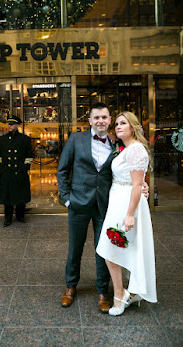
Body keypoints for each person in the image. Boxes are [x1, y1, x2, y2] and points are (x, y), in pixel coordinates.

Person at [57, 103, 148, 313]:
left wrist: (142, 184)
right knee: (75, 248)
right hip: (78, 203)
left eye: (105, 117)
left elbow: (129, 168)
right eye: (96, 117)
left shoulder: (117, 142)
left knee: (104, 249)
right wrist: (67, 199)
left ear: (109, 121)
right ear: (89, 121)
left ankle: (102, 291)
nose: (100, 121)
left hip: (105, 205)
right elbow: (62, 170)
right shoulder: (75, 139)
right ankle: (70, 286)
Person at [96, 111, 157, 316]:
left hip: (127, 204)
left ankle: (122, 294)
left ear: (133, 127)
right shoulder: (124, 148)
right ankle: (127, 291)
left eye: (124, 123)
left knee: (112, 247)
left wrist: (130, 214)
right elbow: (135, 180)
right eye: (118, 123)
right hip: (117, 200)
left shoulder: (136, 149)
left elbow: (137, 184)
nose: (118, 126)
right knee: (114, 248)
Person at [0, 115, 33, 227]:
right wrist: (2, 168)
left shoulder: (25, 139)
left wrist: (24, 168)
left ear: (17, 125)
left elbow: (29, 156)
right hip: (7, 173)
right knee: (8, 197)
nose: (9, 126)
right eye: (9, 124)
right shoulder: (2, 140)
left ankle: (20, 216)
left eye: (12, 124)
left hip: (20, 172)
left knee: (20, 195)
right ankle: (8, 218)